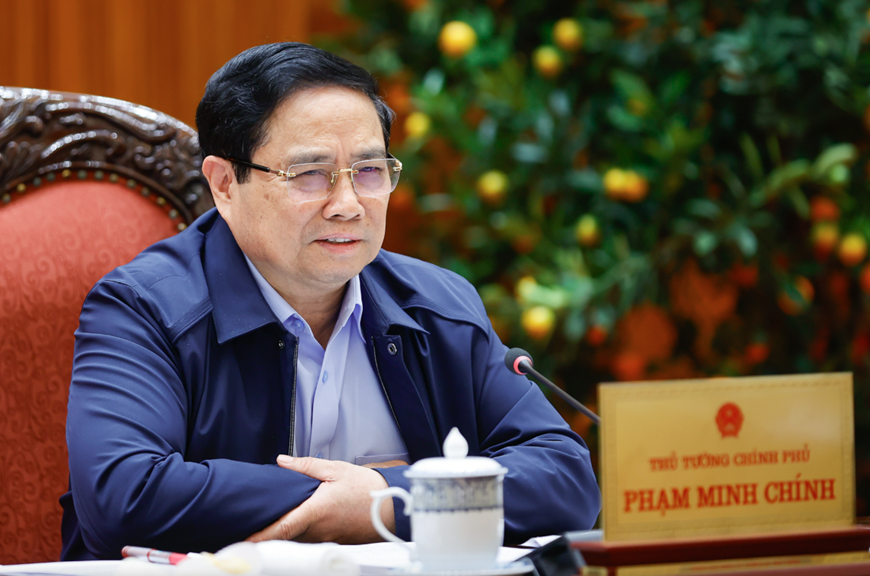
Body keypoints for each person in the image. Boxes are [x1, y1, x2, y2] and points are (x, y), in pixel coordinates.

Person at [60, 42, 600, 561]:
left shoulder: (438, 304)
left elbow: (566, 480)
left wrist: (386, 499)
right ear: (224, 184)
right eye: (310, 174)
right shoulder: (141, 309)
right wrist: (345, 503)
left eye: (369, 171)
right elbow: (123, 496)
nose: (348, 205)